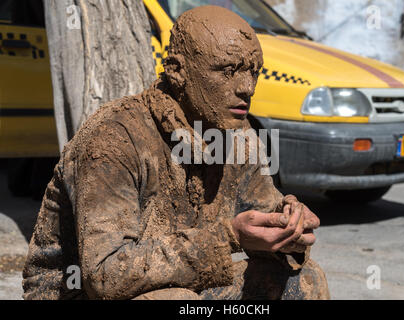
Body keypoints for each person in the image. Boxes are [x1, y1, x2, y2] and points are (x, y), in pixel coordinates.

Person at [22, 5, 329, 300]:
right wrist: (229, 237)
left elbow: (265, 211)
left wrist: (289, 228)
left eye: (254, 72)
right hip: (78, 292)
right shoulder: (114, 137)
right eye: (228, 71)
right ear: (177, 71)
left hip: (182, 284)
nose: (247, 87)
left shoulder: (239, 135)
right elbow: (104, 275)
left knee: (303, 280)